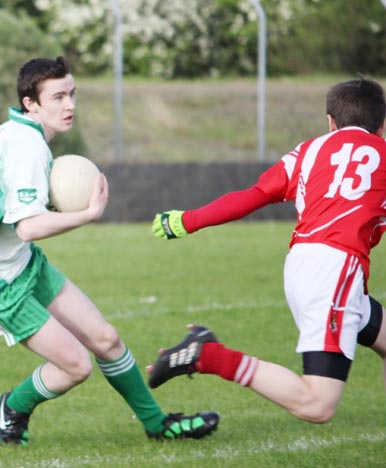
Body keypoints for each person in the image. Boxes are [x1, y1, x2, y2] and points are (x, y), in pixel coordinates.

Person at [0, 56, 219, 446]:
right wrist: (87, 213)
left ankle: (157, 425)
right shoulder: (26, 146)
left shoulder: (6, 134)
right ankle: (13, 405)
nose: (69, 105)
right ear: (31, 103)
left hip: (21, 265)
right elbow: (28, 227)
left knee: (106, 339)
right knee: (76, 365)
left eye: (72, 94)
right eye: (58, 97)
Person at [147, 77, 386, 424]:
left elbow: (253, 195)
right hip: (335, 271)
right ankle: (208, 355)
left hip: (303, 264)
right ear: (382, 124)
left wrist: (189, 220)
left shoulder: (309, 151)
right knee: (317, 405)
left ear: (330, 122)